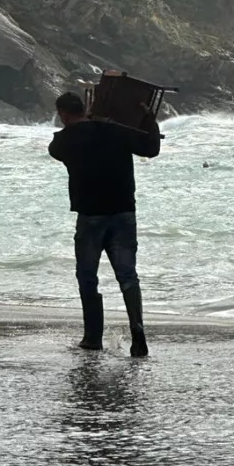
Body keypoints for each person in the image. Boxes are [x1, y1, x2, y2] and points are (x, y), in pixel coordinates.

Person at [48, 91, 161, 357]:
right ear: (85, 107)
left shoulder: (61, 142)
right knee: (128, 276)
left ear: (63, 113)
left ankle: (92, 338)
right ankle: (138, 336)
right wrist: (149, 120)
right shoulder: (116, 131)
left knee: (88, 278)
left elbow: (60, 148)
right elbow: (151, 149)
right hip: (123, 213)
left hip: (90, 217)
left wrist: (92, 122)